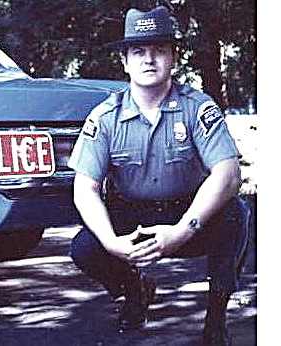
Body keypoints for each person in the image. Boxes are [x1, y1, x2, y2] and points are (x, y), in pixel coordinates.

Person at [67, 6, 250, 346]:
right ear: (124, 61)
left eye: (159, 50)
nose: (149, 59)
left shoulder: (197, 106)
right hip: (132, 218)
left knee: (235, 214)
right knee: (85, 247)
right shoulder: (105, 117)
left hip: (190, 214)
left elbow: (228, 173)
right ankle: (134, 289)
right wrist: (111, 242)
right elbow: (85, 187)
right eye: (138, 51)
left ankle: (216, 317)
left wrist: (182, 230)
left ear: (173, 58)